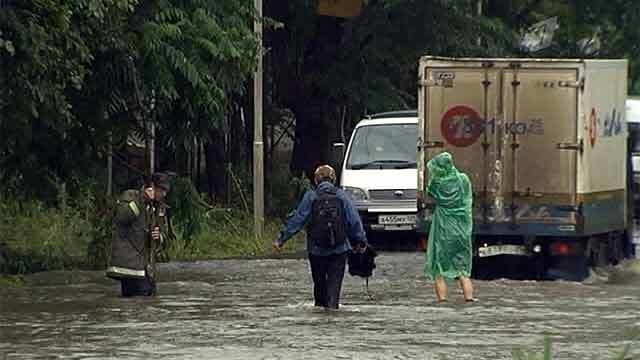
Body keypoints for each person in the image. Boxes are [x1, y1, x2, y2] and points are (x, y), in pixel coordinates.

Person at [273, 164, 368, 309]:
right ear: (333, 179)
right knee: (333, 290)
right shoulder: (342, 196)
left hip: (316, 251)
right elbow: (354, 221)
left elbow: (297, 220)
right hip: (339, 250)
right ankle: (332, 315)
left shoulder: (311, 197)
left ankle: (320, 320)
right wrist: (361, 241)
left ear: (316, 181)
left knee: (319, 287)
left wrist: (281, 239)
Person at [106, 172, 171, 297]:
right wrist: (143, 199)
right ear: (151, 187)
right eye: (161, 189)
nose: (164, 194)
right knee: (138, 302)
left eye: (165, 190)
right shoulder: (131, 196)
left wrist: (159, 237)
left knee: (148, 300)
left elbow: (165, 237)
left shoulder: (159, 208)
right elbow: (122, 217)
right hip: (130, 266)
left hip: (146, 268)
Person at [424, 152, 476, 302]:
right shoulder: (463, 179)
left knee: (439, 267)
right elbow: (467, 198)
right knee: (462, 268)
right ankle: (469, 298)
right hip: (461, 229)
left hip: (443, 228)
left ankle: (442, 300)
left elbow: (430, 193)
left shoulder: (437, 183)